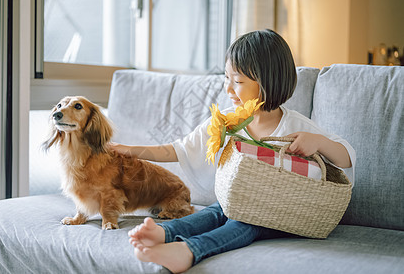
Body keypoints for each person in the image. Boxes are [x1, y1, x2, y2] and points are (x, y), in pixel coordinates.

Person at [113, 29, 356, 273]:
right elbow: (179, 149)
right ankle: (167, 232)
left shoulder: (297, 126)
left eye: (237, 81)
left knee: (245, 219)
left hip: (287, 215)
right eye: (226, 78)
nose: (229, 89)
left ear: (267, 82)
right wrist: (130, 150)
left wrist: (319, 142)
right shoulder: (228, 121)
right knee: (221, 208)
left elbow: (346, 157)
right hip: (245, 204)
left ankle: (189, 251)